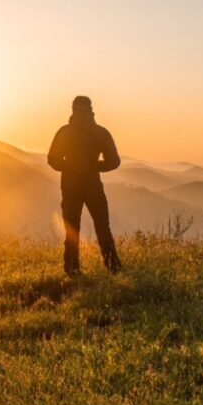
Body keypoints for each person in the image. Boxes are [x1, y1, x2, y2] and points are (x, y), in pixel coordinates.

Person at [47, 95, 122, 275]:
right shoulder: (101, 132)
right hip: (93, 186)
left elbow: (52, 159)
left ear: (73, 109)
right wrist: (94, 166)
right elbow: (114, 161)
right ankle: (113, 267)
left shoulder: (65, 132)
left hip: (70, 186)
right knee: (103, 227)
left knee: (72, 229)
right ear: (91, 110)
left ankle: (72, 269)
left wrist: (71, 167)